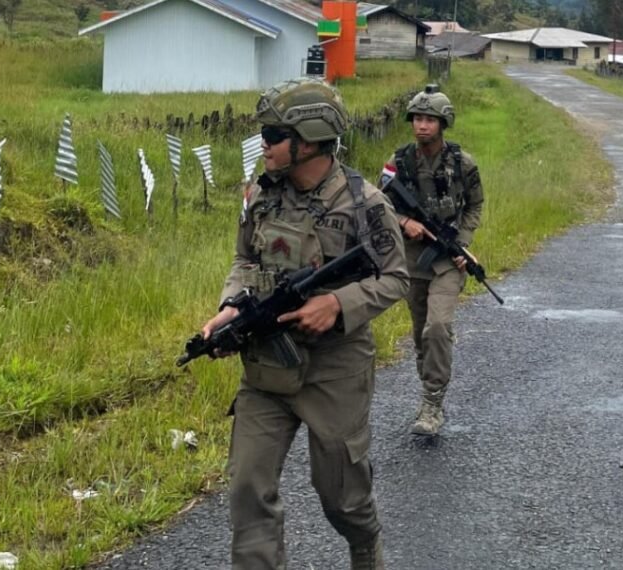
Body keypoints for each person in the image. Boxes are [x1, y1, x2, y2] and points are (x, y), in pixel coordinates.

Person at [200, 78, 409, 569]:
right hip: (267, 367)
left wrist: (337, 304)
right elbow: (243, 258)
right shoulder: (261, 194)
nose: (263, 144)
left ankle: (365, 545)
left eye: (273, 134)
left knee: (342, 499)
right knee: (248, 491)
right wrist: (232, 305)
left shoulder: (364, 204)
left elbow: (395, 276)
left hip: (334, 370)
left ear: (309, 138)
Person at [378, 84, 484, 436]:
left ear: (444, 123)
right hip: (412, 260)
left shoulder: (462, 163)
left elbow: (475, 205)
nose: (422, 126)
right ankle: (430, 390)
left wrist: (463, 243)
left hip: (447, 258)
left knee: (438, 327)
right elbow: (379, 206)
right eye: (418, 119)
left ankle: (432, 404)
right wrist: (405, 222)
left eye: (430, 120)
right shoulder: (398, 163)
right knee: (421, 333)